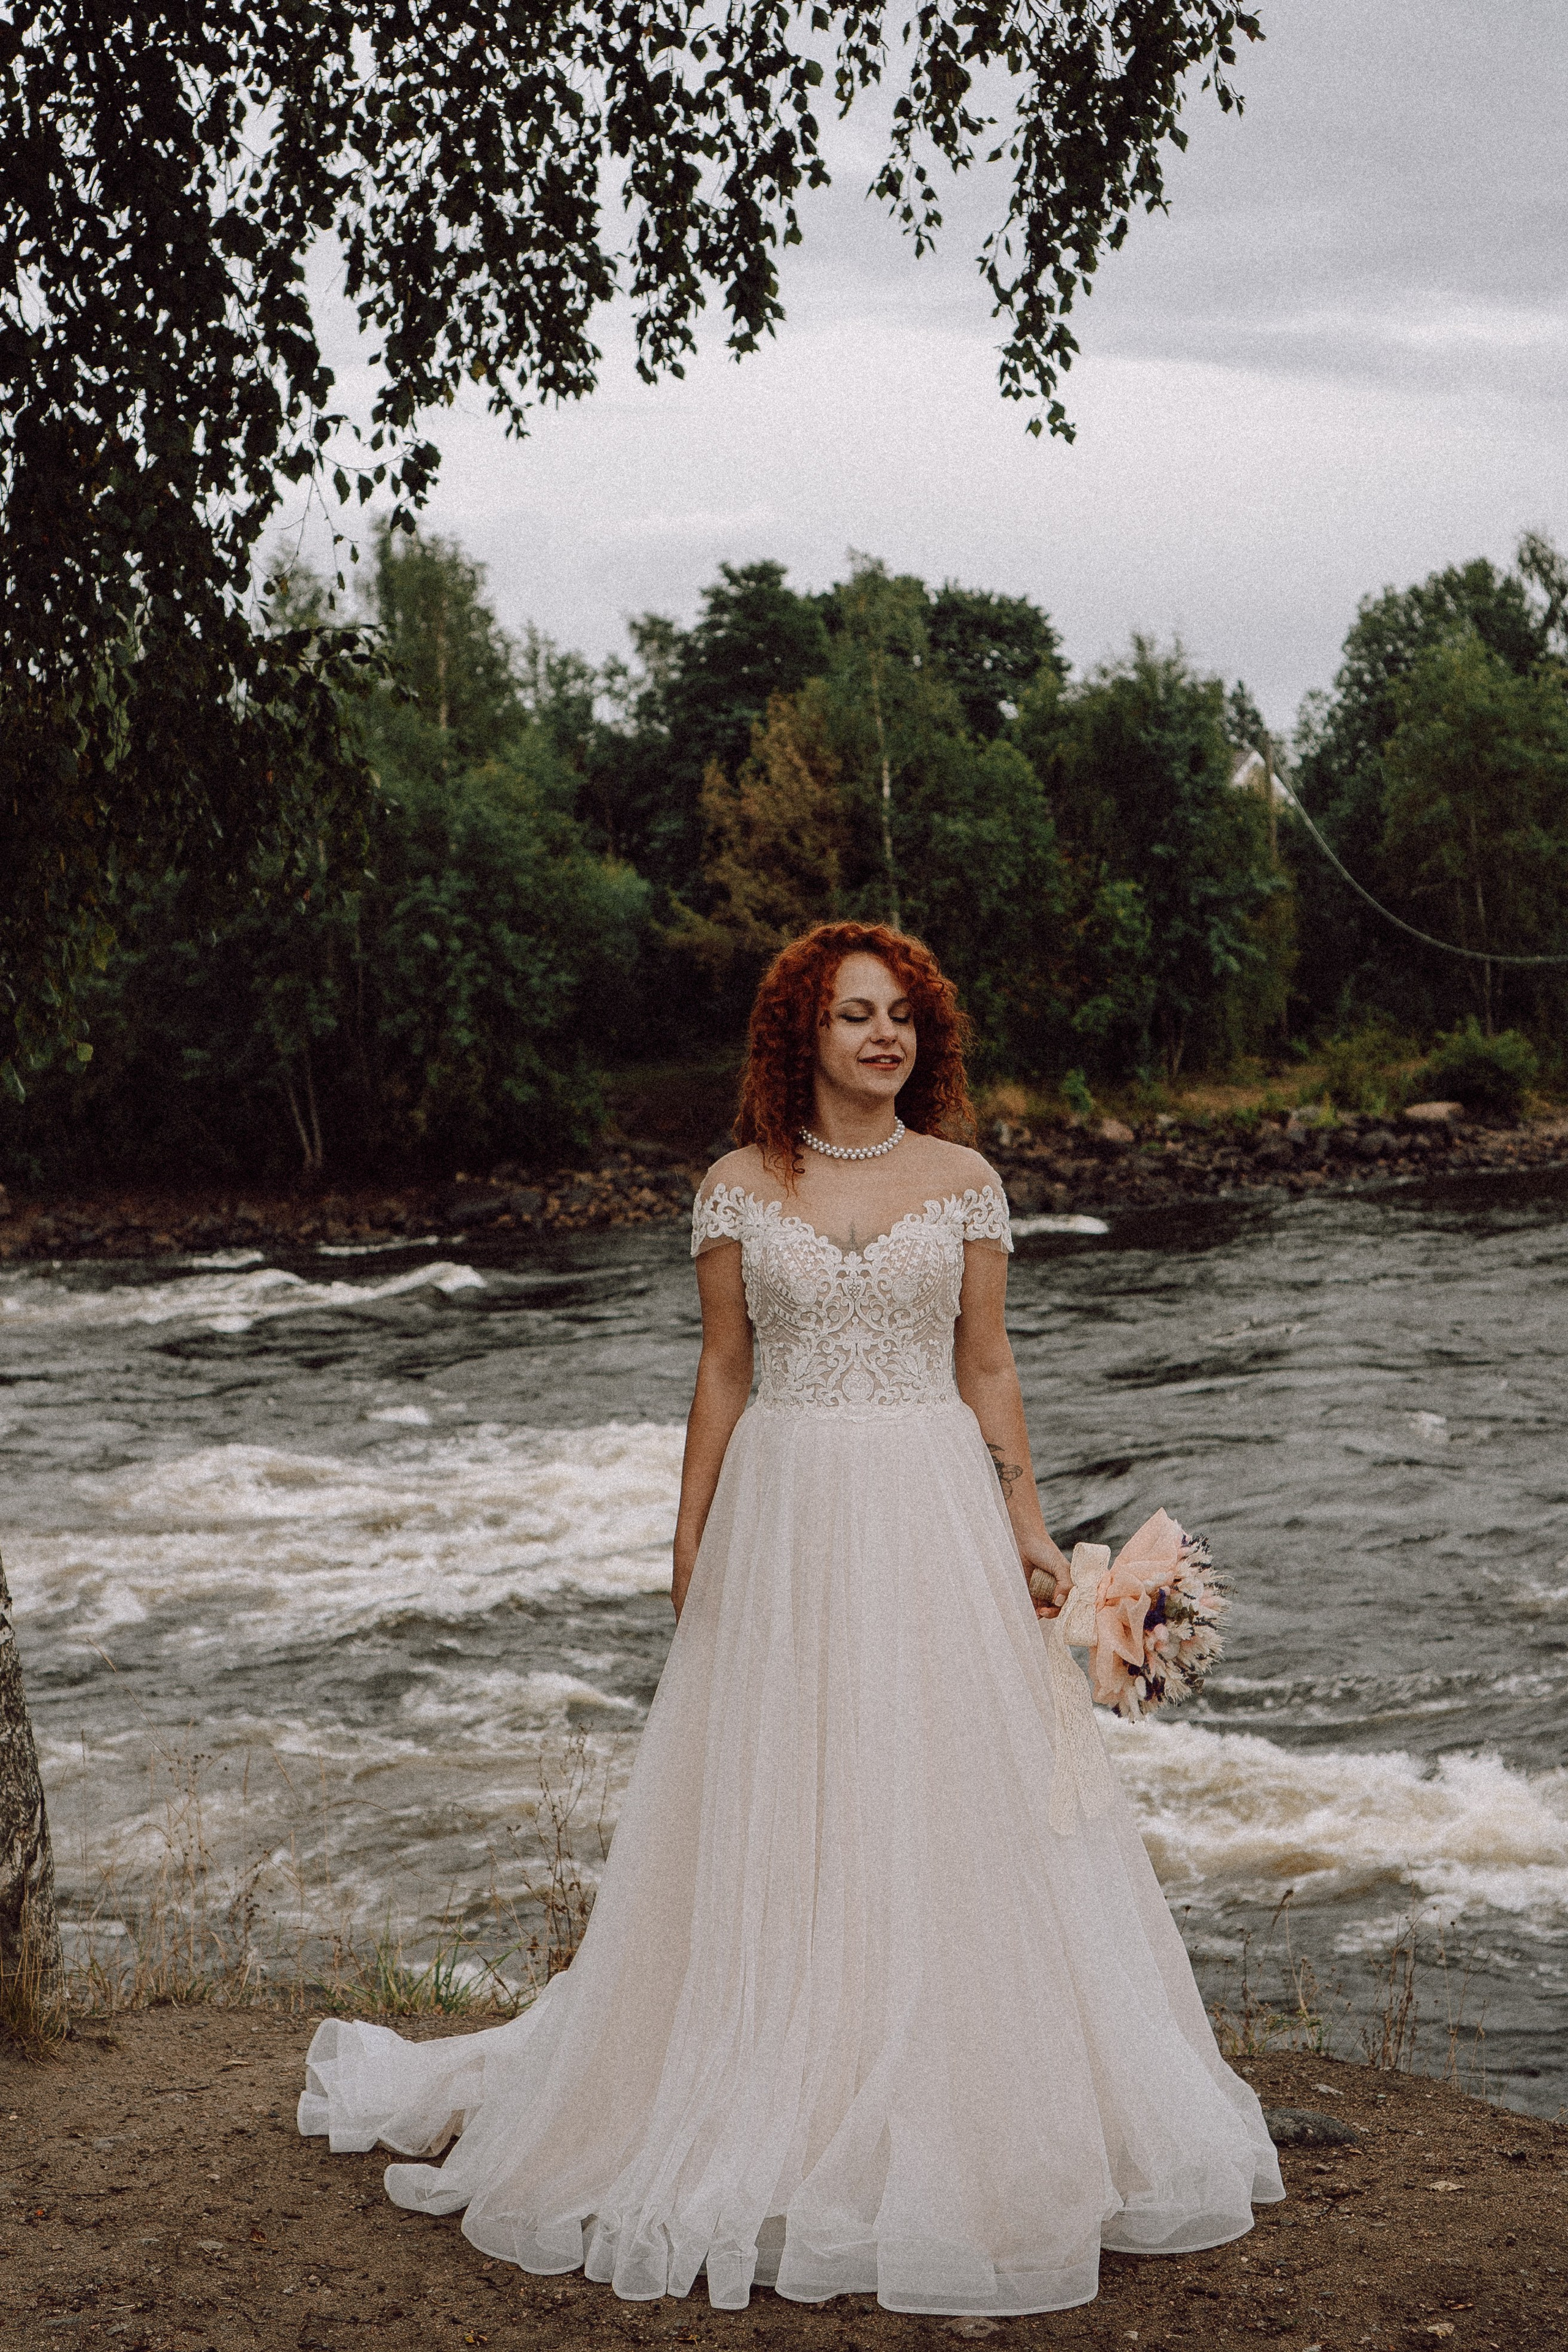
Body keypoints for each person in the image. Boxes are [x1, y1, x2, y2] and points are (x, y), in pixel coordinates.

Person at [298, 919, 1282, 2316]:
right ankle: (768, 2071)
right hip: (785, 1508)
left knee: (939, 1788)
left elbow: (988, 1368)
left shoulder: (966, 1182)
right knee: (782, 1789)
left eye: (899, 1018)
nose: (882, 1038)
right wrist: (688, 1535)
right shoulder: (734, 1190)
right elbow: (720, 1375)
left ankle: (946, 2089)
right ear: (800, 1040)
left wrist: (1024, 1532)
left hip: (930, 1506)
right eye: (851, 1017)